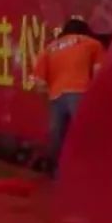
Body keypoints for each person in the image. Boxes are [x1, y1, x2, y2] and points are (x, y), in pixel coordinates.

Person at [32, 16, 106, 174]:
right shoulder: (93, 44)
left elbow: (38, 82)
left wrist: (50, 96)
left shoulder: (49, 48)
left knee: (57, 135)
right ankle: (88, 170)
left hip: (56, 96)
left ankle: (59, 170)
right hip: (80, 91)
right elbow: (99, 74)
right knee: (85, 132)